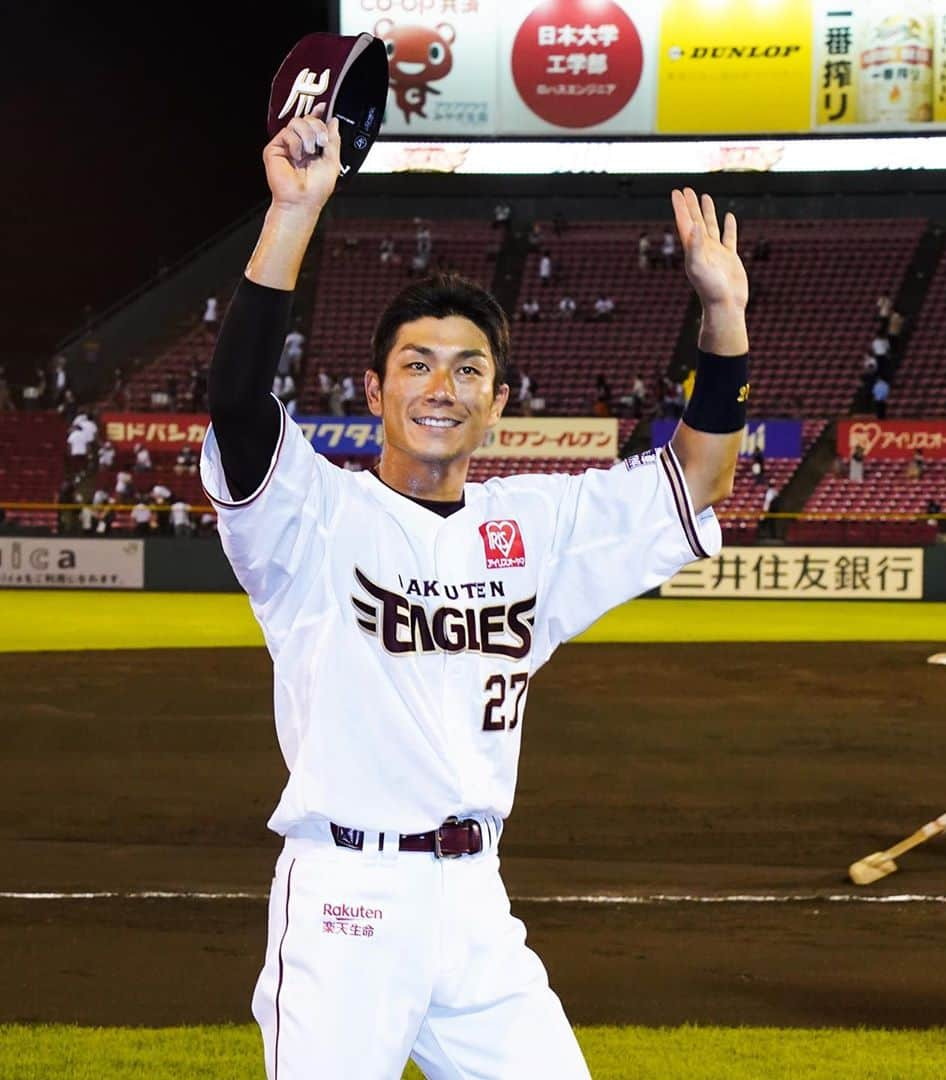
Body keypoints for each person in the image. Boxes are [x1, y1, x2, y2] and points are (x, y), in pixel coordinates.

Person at [202, 101, 747, 1080]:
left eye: (467, 368)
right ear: (374, 393)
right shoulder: (310, 518)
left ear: (499, 403)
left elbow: (700, 479)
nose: (439, 385)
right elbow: (240, 407)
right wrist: (292, 213)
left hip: (476, 903)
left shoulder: (539, 531)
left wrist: (724, 319)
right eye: (415, 364)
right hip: (348, 900)